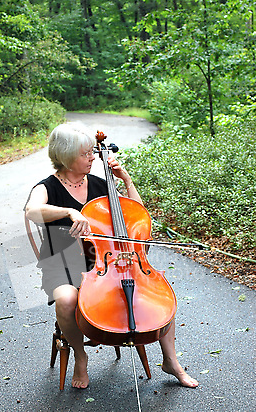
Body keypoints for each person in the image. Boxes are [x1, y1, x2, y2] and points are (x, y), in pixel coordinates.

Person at [25, 123, 199, 389]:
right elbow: (31, 211)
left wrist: (126, 180)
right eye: (85, 154)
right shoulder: (47, 187)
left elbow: (136, 217)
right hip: (63, 263)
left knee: (158, 293)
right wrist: (70, 212)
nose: (92, 157)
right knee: (66, 299)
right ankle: (80, 356)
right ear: (65, 155)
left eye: (92, 153)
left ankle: (171, 361)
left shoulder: (99, 183)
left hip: (108, 262)